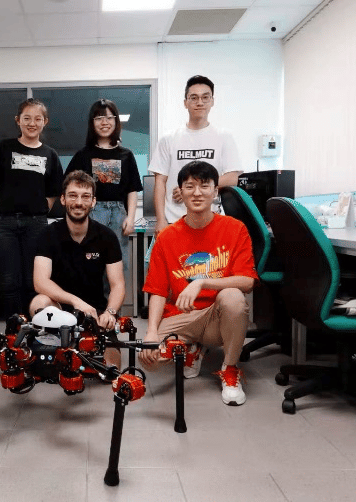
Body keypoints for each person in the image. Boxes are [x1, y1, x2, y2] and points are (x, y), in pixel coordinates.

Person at [138, 161, 257, 406]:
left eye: (204, 186)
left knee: (233, 297)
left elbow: (247, 281)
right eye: (189, 186)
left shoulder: (235, 229)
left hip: (217, 316)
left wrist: (203, 282)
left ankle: (230, 369)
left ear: (215, 192)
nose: (197, 192)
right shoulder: (167, 237)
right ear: (180, 193)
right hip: (181, 316)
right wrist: (150, 333)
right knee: (150, 359)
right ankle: (191, 349)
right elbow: (157, 290)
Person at [30, 170, 125, 369]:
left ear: (93, 202)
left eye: (85, 197)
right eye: (72, 195)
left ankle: (74, 349)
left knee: (111, 369)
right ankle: (56, 344)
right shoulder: (47, 234)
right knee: (39, 302)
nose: (79, 202)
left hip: (94, 313)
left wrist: (110, 312)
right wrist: (75, 302)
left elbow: (117, 285)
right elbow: (40, 282)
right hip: (59, 308)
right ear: (63, 199)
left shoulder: (107, 237)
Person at [0, 98, 64, 319]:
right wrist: (2, 205)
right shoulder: (4, 148)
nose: (32, 123)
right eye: (27, 118)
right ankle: (13, 328)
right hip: (4, 223)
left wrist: (39, 209)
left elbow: (54, 190)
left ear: (45, 122)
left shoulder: (50, 154)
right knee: (9, 279)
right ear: (18, 121)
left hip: (36, 223)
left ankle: (33, 327)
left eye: (38, 119)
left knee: (33, 279)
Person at [149, 75, 242, 234]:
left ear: (212, 101)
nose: (200, 102)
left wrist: (193, 187)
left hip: (210, 220)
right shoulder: (168, 139)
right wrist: (160, 220)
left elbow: (233, 177)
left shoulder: (224, 137)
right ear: (185, 102)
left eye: (205, 97)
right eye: (194, 98)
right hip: (174, 220)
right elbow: (160, 182)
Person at [65, 99, 142, 282]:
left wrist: (130, 218)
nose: (104, 122)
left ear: (116, 122)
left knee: (118, 265)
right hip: (91, 212)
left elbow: (132, 190)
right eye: (99, 118)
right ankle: (89, 309)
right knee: (89, 263)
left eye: (109, 117)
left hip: (118, 214)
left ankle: (112, 310)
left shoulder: (126, 155)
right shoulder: (83, 155)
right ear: (92, 123)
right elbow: (69, 186)